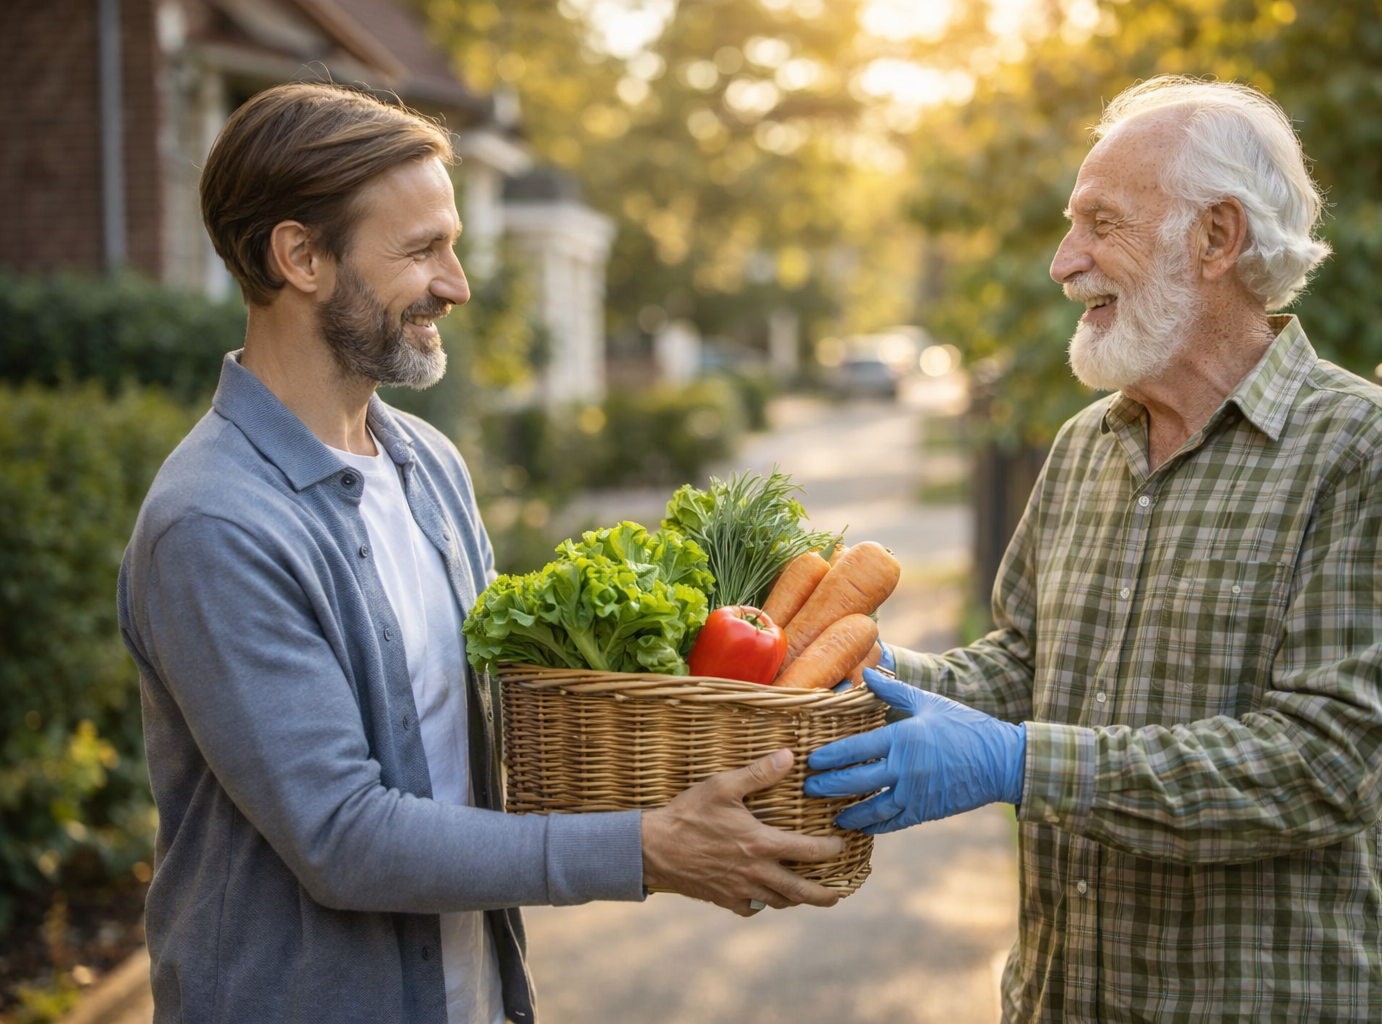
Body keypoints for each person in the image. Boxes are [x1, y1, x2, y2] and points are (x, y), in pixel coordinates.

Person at [117, 82, 842, 1024]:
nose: (457, 285)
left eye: (452, 246)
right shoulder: (216, 523)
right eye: (423, 250)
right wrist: (643, 848)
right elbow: (343, 836)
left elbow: (494, 732)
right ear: (299, 256)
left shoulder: (426, 465)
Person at [809, 76, 1382, 1023]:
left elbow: (1331, 761)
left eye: (1100, 223)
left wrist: (1022, 764)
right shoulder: (1086, 445)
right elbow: (1026, 666)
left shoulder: (1368, 448)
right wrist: (864, 677)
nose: (1063, 262)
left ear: (1216, 239)